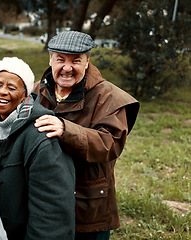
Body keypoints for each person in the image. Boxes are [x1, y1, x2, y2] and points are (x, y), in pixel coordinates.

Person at [33, 31, 140, 240]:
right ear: (50, 59)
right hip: (47, 202)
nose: (67, 67)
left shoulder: (109, 96)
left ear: (87, 61)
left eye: (76, 61)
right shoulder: (38, 89)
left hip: (88, 205)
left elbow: (110, 144)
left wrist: (66, 129)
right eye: (60, 59)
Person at [0, 57, 76, 239]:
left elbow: (51, 214)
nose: (2, 92)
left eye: (11, 88)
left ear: (25, 94)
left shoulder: (41, 136)